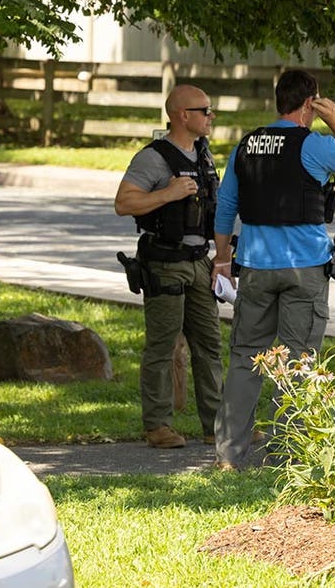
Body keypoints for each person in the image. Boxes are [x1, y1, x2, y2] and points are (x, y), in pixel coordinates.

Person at [211, 69, 335, 469]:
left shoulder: (246, 145)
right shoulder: (314, 145)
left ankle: (227, 457)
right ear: (310, 104)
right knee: (299, 360)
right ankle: (287, 459)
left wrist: (221, 261)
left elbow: (226, 206)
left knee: (244, 358)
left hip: (253, 266)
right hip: (304, 268)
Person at [114, 84, 224, 449]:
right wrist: (168, 193)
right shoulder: (154, 158)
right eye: (205, 110)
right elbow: (123, 203)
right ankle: (158, 426)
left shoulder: (204, 155)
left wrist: (222, 259)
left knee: (209, 344)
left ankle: (216, 426)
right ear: (182, 115)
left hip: (199, 262)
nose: (211, 116)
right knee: (162, 346)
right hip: (164, 262)